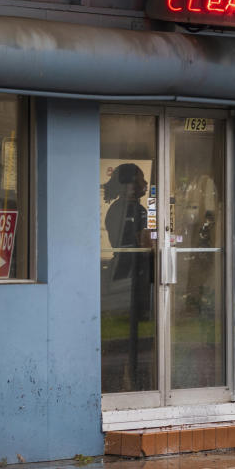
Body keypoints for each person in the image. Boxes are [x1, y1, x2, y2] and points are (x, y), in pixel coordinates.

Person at [102, 163, 152, 391]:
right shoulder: (133, 211)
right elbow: (144, 243)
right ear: (130, 184)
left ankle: (128, 377)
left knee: (134, 330)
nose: (145, 184)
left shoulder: (118, 209)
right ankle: (129, 380)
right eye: (140, 179)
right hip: (131, 275)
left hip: (127, 272)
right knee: (132, 331)